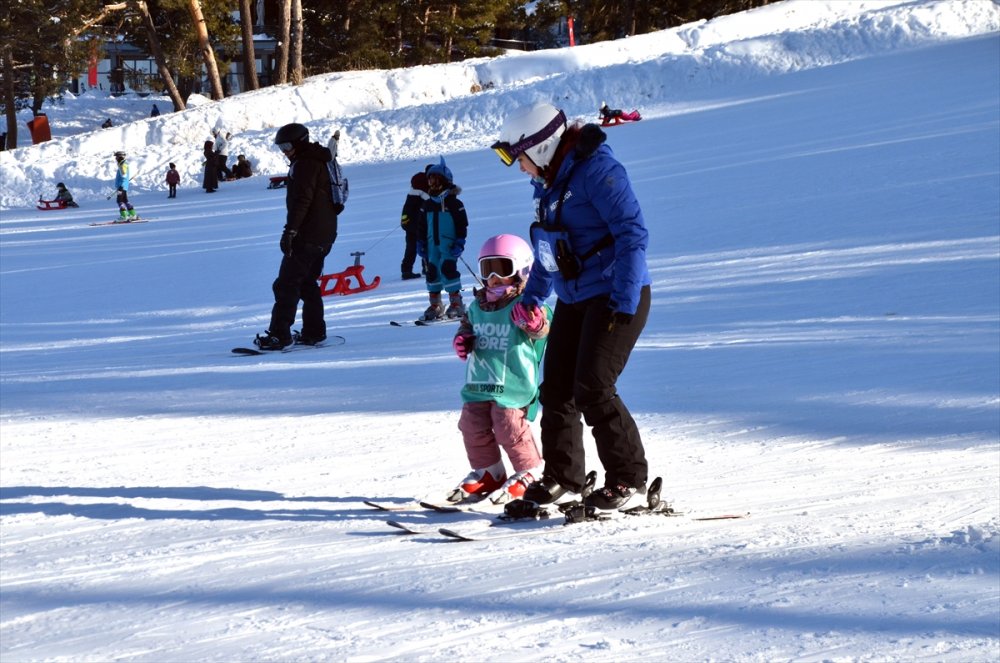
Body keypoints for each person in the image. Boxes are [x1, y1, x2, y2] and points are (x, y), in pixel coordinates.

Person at [490, 102, 652, 513]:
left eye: (519, 157)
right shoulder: (548, 183)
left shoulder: (599, 171)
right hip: (575, 296)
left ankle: (629, 481)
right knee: (557, 390)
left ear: (541, 147)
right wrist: (531, 298)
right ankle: (564, 478)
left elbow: (632, 234)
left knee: (594, 388)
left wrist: (624, 299)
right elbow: (551, 248)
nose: (519, 167)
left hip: (616, 294)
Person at [448, 234, 551, 505]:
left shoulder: (525, 304)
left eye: (501, 268)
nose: (493, 277)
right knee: (471, 424)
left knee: (508, 426)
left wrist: (533, 323)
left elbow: (543, 329)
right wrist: (462, 339)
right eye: (487, 269)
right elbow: (466, 326)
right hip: (480, 381)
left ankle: (530, 471)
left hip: (513, 383)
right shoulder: (476, 306)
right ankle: (489, 472)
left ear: (522, 270)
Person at [252, 122, 338, 351]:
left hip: (307, 235)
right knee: (307, 283)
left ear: (300, 142)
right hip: (324, 235)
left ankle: (280, 335)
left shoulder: (305, 164)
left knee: (286, 284)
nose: (285, 152)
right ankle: (314, 331)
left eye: (287, 146)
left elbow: (302, 202)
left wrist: (290, 231)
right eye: (281, 147)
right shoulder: (319, 159)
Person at [416, 157, 468, 320]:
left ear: (446, 181)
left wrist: (460, 242)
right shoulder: (427, 204)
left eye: (437, 181)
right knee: (432, 272)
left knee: (448, 269)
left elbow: (462, 225)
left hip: (448, 245)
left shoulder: (455, 204)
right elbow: (421, 226)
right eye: (430, 181)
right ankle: (435, 304)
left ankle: (456, 303)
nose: (433, 185)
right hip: (431, 245)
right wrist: (420, 242)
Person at [399, 170, 428, 280]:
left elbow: (405, 212)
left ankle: (407, 270)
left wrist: (405, 223)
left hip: (412, 227)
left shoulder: (412, 196)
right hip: (417, 227)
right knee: (423, 247)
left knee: (412, 249)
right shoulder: (422, 197)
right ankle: (425, 268)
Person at [113, 151, 138, 219]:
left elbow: (124, 175)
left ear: (120, 157)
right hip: (124, 186)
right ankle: (133, 215)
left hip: (121, 187)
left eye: (116, 157)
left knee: (119, 201)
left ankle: (124, 216)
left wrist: (121, 185)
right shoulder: (123, 164)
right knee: (125, 200)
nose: (116, 158)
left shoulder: (122, 164)